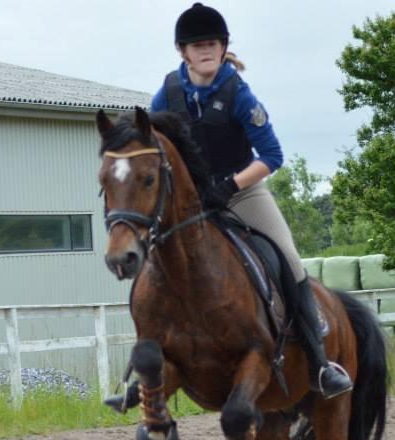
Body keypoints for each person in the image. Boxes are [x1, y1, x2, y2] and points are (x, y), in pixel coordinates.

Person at [149, 2, 352, 399]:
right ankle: (143, 372)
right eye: (196, 45)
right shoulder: (167, 93)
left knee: (289, 259)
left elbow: (272, 157)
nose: (205, 50)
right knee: (153, 259)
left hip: (242, 192)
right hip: (192, 201)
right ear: (182, 52)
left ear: (224, 48)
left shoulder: (239, 94)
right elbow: (153, 144)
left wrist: (228, 186)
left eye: (212, 43)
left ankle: (319, 362)